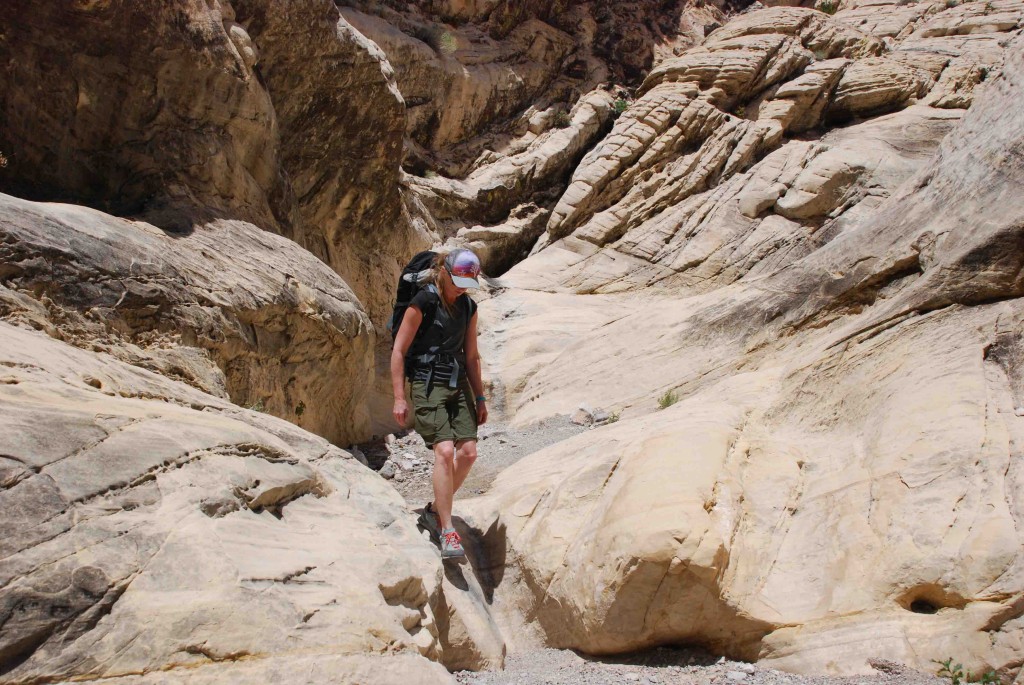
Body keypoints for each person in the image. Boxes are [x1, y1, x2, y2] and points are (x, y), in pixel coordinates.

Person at [391, 248, 488, 559]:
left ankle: (433, 511)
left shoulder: (469, 307)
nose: (461, 289)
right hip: (427, 382)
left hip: (458, 383)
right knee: (444, 451)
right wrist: (399, 397)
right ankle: (447, 530)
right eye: (458, 281)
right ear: (444, 272)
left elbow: (471, 357)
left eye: (467, 284)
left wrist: (480, 397)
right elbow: (398, 351)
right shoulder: (423, 302)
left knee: (469, 453)